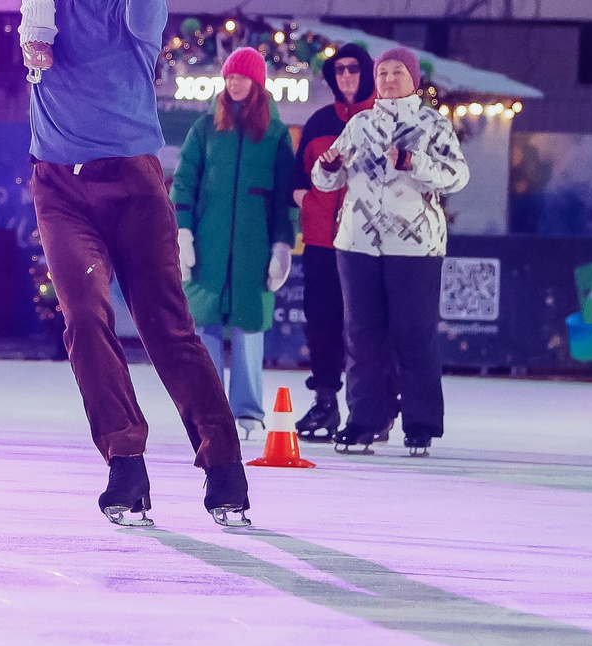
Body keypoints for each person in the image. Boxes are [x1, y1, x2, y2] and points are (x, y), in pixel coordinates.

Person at [24, 0, 248, 529]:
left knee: (166, 325)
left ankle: (223, 463)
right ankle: (125, 461)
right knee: (85, 316)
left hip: (133, 183)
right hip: (60, 189)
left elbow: (148, 8)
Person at [314, 46, 470, 457]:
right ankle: (364, 421)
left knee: (414, 336)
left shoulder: (432, 124)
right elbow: (327, 180)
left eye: (396, 72)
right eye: (382, 73)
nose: (386, 79)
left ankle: (420, 424)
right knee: (362, 337)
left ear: (413, 78)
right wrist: (328, 167)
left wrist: (413, 162)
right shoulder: (361, 123)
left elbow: (457, 175)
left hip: (415, 246)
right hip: (357, 243)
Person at [174, 46, 297, 435]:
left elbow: (284, 196)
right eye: (229, 77)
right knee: (204, 326)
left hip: (253, 247)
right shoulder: (206, 128)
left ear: (257, 83)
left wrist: (282, 245)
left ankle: (247, 411)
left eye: (241, 77)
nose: (234, 83)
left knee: (249, 326)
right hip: (208, 245)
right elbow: (184, 182)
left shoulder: (276, 135)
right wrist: (183, 231)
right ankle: (206, 410)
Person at [288, 41, 374, 440]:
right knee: (322, 323)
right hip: (322, 240)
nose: (346, 76)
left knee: (366, 326)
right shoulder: (320, 120)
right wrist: (304, 199)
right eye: (339, 70)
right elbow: (296, 176)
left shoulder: (380, 119)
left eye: (353, 68)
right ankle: (325, 402)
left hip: (369, 243)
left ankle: (373, 406)